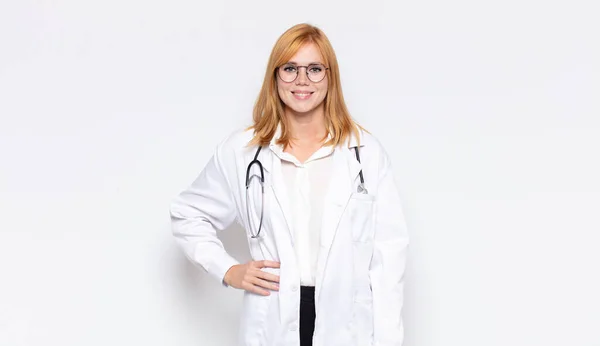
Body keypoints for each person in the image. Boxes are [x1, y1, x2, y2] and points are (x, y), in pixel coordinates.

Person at [170, 23, 409, 346]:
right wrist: (228, 270)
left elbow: (388, 261)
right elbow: (187, 214)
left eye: (314, 69)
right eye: (290, 68)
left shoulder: (365, 154)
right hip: (272, 321)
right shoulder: (242, 152)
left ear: (330, 76)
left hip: (347, 325)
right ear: (275, 76)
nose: (302, 80)